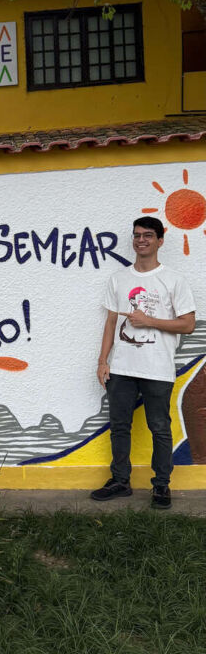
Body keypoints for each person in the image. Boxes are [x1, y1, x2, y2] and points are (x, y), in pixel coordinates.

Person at [91, 216, 196, 509]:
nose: (141, 240)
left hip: (158, 368)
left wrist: (148, 320)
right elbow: (111, 322)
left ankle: (161, 485)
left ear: (160, 240)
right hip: (122, 367)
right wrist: (102, 361)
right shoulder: (119, 279)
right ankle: (120, 481)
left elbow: (188, 325)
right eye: (137, 235)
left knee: (160, 428)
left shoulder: (173, 279)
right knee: (119, 426)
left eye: (148, 235)